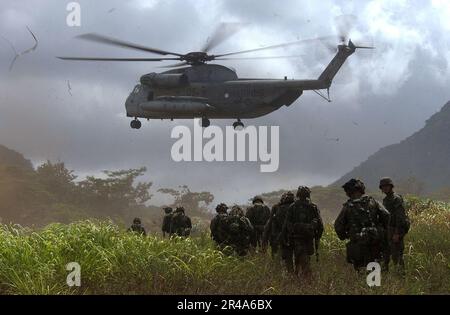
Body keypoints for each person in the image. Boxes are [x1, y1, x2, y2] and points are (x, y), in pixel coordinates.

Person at [334, 179, 390, 271]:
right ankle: (374, 284)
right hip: (375, 242)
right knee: (375, 269)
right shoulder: (373, 202)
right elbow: (386, 215)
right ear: (361, 190)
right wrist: (381, 230)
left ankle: (365, 284)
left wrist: (346, 235)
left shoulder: (348, 207)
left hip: (358, 244)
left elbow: (338, 226)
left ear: (348, 192)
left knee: (361, 270)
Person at [281, 186, 323, 277]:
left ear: (298, 195)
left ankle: (302, 278)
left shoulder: (293, 207)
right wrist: (317, 237)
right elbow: (320, 225)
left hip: (297, 238)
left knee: (300, 257)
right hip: (309, 237)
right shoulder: (313, 207)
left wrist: (285, 236)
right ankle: (304, 278)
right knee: (306, 257)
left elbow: (287, 224)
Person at [379, 177, 410, 273]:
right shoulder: (386, 200)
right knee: (386, 256)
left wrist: (397, 233)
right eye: (383, 187)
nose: (385, 188)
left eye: (387, 186)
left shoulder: (396, 198)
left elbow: (400, 217)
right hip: (388, 230)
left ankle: (401, 277)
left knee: (397, 256)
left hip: (395, 230)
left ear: (391, 186)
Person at [262, 191, 295, 257]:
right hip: (288, 235)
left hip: (280, 235)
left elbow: (269, 224)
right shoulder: (294, 207)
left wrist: (264, 241)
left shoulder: (278, 207)